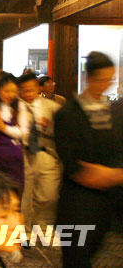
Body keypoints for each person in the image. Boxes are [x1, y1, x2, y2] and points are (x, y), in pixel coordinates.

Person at [54, 51, 123, 268]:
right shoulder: (67, 114)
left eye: (110, 79)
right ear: (89, 78)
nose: (106, 85)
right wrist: (110, 174)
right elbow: (73, 164)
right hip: (77, 204)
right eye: (101, 79)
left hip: (110, 201)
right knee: (76, 259)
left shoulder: (115, 111)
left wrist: (111, 174)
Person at [17, 72, 62, 227]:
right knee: (24, 194)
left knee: (49, 195)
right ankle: (25, 227)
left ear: (37, 88)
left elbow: (62, 132)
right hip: (22, 153)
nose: (28, 93)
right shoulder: (15, 107)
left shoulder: (52, 107)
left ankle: (39, 220)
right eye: (24, 90)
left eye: (31, 89)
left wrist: (47, 127)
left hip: (45, 152)